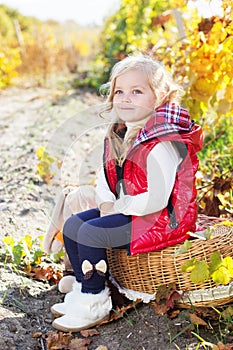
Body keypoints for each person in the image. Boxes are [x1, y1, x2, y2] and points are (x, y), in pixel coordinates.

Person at [50, 55, 203, 332]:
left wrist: (120, 206)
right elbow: (106, 176)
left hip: (160, 219)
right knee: (74, 225)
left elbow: (157, 198)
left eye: (137, 91)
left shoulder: (161, 142)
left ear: (159, 97)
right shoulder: (119, 133)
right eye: (119, 91)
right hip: (129, 208)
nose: (125, 98)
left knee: (91, 233)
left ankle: (95, 301)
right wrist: (107, 201)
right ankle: (85, 285)